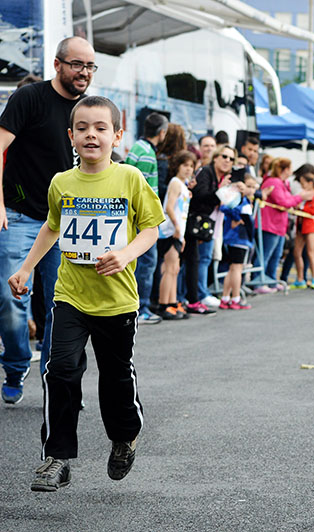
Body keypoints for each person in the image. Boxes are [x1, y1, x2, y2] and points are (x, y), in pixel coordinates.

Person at [7, 95, 164, 491]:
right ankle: (57, 458)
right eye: (82, 128)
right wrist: (26, 267)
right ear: (70, 136)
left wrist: (126, 254)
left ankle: (125, 437)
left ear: (117, 134)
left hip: (117, 300)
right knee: (59, 370)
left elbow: (150, 227)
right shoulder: (62, 182)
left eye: (100, 128)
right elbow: (52, 226)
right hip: (71, 296)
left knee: (114, 380)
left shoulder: (130, 178)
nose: (91, 135)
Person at [0, 36, 96, 404]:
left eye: (89, 66)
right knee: (9, 301)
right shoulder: (29, 98)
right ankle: (15, 363)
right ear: (57, 65)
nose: (84, 73)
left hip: (68, 224)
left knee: (64, 307)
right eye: (77, 64)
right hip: (19, 215)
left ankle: (59, 381)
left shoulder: (89, 110)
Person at [125, 112, 168, 325]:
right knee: (147, 263)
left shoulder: (136, 148)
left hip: (134, 216)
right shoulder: (148, 154)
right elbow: (141, 189)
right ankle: (141, 308)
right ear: (161, 132)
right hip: (143, 218)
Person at [184, 145, 238, 315]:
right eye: (224, 156)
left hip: (209, 223)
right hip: (195, 222)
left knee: (203, 259)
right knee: (194, 260)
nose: (227, 160)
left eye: (231, 159)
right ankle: (193, 296)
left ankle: (197, 295)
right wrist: (221, 192)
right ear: (216, 157)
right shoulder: (206, 172)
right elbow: (200, 196)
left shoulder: (221, 177)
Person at [259, 158, 314, 290]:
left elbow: (287, 200)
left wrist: (295, 199)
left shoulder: (282, 183)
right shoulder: (274, 182)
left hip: (278, 225)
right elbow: (283, 202)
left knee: (276, 255)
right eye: (289, 168)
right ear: (284, 169)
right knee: (266, 255)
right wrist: (300, 197)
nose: (291, 171)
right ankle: (260, 281)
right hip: (270, 224)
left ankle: (271, 280)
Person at [155, 150, 196, 320]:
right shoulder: (175, 182)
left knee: (175, 268)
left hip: (177, 231)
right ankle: (164, 304)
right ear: (177, 166)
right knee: (170, 268)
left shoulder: (183, 185)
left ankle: (172, 302)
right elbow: (169, 207)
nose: (188, 169)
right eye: (185, 165)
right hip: (170, 231)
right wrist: (178, 228)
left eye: (191, 166)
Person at [219, 175, 258, 309]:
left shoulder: (245, 201)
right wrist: (237, 218)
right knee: (237, 268)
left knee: (233, 268)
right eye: (248, 186)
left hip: (240, 238)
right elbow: (224, 208)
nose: (251, 190)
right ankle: (235, 298)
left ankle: (225, 298)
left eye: (253, 187)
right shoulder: (239, 200)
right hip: (238, 238)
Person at [291, 170, 314, 290]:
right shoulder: (303, 194)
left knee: (310, 252)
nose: (302, 185)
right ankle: (300, 279)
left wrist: (301, 209)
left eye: (303, 182)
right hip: (300, 224)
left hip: (310, 226)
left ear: (310, 183)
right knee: (297, 252)